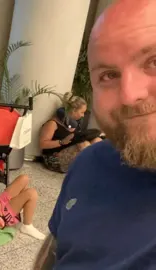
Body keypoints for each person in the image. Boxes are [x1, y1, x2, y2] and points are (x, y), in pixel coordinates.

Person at [34, 1, 156, 269]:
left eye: (154, 61)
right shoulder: (91, 163)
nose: (129, 94)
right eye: (109, 75)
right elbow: (55, 249)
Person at [39, 93, 102, 173]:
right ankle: (93, 173)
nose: (83, 116)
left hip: (67, 153)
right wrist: (61, 142)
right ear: (73, 110)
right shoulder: (52, 123)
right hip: (53, 158)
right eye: (82, 112)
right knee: (84, 144)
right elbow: (42, 144)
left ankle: (98, 170)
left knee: (97, 140)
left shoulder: (74, 124)